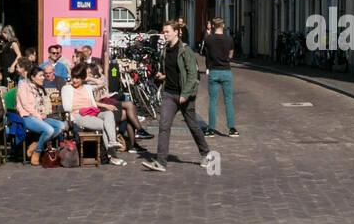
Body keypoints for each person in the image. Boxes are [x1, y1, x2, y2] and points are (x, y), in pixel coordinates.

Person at [142, 20, 211, 172]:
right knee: (164, 126)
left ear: (176, 32)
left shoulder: (185, 50)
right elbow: (173, 71)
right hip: (169, 93)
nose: (164, 34)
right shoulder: (165, 50)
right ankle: (161, 162)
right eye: (163, 31)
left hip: (184, 95)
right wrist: (163, 76)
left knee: (193, 125)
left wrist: (185, 94)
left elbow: (192, 74)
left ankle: (206, 153)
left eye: (167, 31)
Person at [64, 64, 126, 165]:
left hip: (93, 112)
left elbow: (102, 83)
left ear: (83, 78)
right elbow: (67, 108)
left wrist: (89, 78)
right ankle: (113, 156)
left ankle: (113, 141)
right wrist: (85, 107)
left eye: (78, 78)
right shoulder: (67, 88)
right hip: (79, 115)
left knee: (109, 114)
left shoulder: (87, 88)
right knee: (106, 125)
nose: (75, 80)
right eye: (74, 77)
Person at [16, 64, 65, 166]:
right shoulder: (23, 86)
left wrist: (43, 113)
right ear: (33, 77)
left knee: (61, 126)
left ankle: (36, 145)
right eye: (41, 75)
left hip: (39, 116)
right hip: (27, 116)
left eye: (43, 75)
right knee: (49, 130)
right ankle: (38, 151)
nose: (43, 77)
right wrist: (38, 115)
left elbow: (43, 104)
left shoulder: (40, 88)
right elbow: (25, 105)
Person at [203, 18, 238, 138]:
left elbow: (206, 54)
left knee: (213, 102)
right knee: (228, 101)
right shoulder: (229, 39)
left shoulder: (208, 39)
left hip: (214, 71)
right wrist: (226, 59)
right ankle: (232, 128)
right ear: (223, 25)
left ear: (212, 26)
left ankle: (211, 129)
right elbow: (231, 54)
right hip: (226, 71)